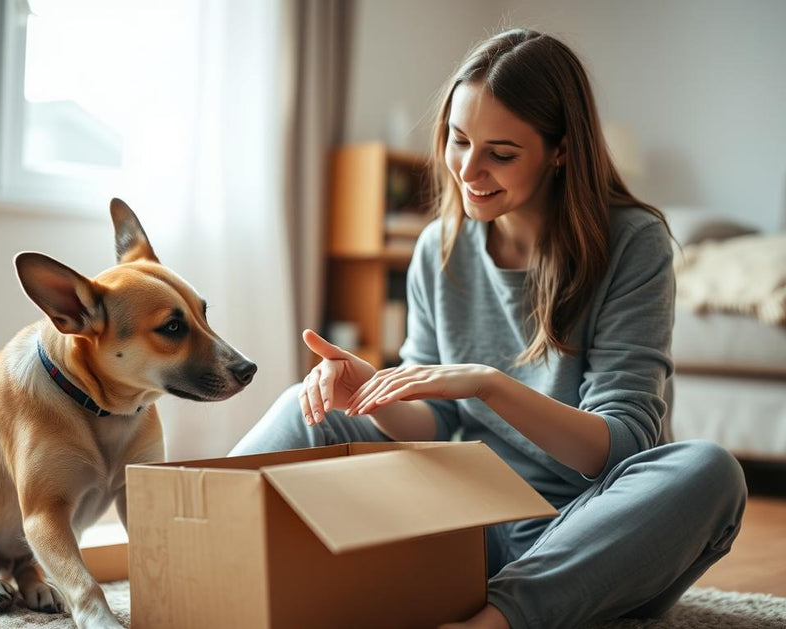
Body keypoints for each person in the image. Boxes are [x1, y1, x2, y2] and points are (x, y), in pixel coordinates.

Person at [230, 28, 746, 629]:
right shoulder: (439, 248)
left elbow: (622, 446)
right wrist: (375, 392)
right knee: (309, 403)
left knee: (710, 472)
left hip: (586, 541)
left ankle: (499, 619)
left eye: (501, 153)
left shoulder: (633, 243)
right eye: (458, 140)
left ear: (560, 151)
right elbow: (435, 424)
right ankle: (195, 549)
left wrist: (488, 384)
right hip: (468, 524)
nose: (468, 170)